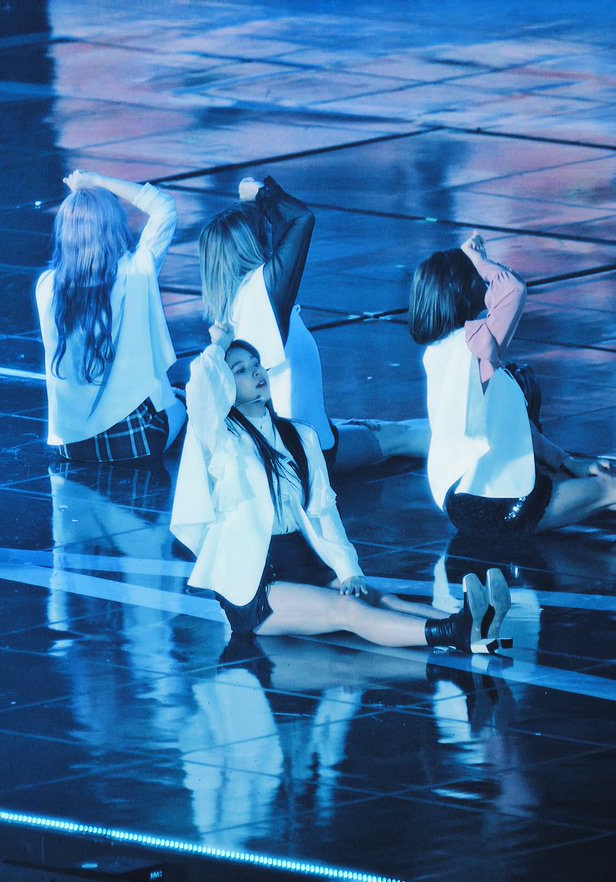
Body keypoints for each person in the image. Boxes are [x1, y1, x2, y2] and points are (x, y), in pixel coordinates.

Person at [170, 323, 510, 652]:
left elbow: (323, 511)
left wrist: (349, 571)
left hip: (301, 559)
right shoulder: (221, 439)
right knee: (348, 611)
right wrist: (217, 345)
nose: (256, 372)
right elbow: (199, 392)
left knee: (379, 599)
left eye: (256, 363)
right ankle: (454, 632)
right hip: (254, 582)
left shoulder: (299, 436)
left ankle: (479, 627)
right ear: (225, 384)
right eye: (241, 370)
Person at [199, 176, 427, 471]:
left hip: (294, 440)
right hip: (306, 452)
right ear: (248, 245)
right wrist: (261, 195)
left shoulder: (234, 305)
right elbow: (300, 220)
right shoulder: (263, 292)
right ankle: (471, 447)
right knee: (400, 436)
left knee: (380, 427)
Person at [410, 232, 616, 537]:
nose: (483, 284)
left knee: (593, 487)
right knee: (610, 488)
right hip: (493, 503)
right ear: (462, 290)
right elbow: (513, 291)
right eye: (476, 279)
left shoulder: (440, 352)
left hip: (468, 499)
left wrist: (569, 463)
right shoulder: (473, 344)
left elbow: (518, 429)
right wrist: (478, 259)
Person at [36, 169, 185, 461]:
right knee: (187, 398)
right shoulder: (136, 271)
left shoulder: (47, 287)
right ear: (113, 227)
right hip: (137, 440)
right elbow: (164, 207)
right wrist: (97, 181)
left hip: (72, 444)